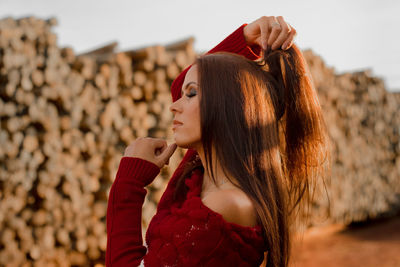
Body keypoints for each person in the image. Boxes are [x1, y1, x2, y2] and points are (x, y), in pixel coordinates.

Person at [106, 16, 331, 267]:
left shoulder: (219, 208)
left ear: (228, 108)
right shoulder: (208, 174)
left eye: (190, 94)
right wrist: (246, 39)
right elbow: (185, 83)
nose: (174, 106)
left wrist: (128, 183)